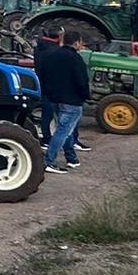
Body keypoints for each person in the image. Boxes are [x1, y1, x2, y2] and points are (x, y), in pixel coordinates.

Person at [34, 31, 92, 173]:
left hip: (54, 98)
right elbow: (82, 81)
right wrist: (86, 96)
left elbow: (41, 74)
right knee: (63, 131)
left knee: (66, 130)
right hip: (72, 101)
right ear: (77, 42)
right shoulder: (76, 59)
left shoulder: (49, 55)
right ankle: (49, 161)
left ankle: (71, 158)